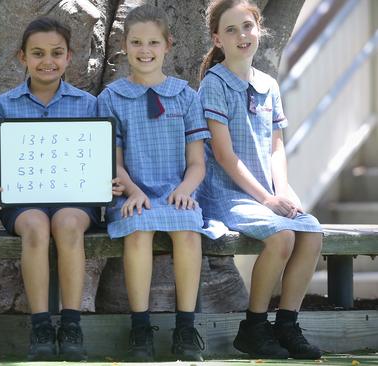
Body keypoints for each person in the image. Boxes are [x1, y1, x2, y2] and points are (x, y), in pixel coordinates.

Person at [0, 17, 121, 361]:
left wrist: (108, 181)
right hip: (23, 201)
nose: (48, 61)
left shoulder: (88, 104)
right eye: (38, 53)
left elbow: (97, 157)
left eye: (56, 53)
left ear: (69, 57)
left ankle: (72, 323)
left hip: (75, 200)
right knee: (35, 228)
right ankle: (41, 324)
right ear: (22, 58)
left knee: (68, 225)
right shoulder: (3, 105)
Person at [197, 0, 323, 359]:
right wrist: (268, 201)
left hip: (265, 193)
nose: (242, 35)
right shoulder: (214, 84)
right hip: (226, 193)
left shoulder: (268, 84)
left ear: (259, 29)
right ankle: (253, 326)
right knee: (282, 237)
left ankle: (286, 325)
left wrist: (281, 190)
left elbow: (276, 147)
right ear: (218, 39)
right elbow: (224, 155)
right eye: (231, 30)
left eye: (247, 27)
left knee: (311, 233)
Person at [97, 4, 212, 362]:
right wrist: (132, 191)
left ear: (167, 45)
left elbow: (197, 163)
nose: (144, 50)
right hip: (132, 193)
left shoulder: (186, 96)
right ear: (125, 46)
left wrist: (184, 190)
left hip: (177, 192)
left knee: (189, 230)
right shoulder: (111, 98)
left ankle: (185, 327)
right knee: (139, 230)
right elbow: (113, 161)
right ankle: (140, 328)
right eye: (136, 43)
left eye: (152, 42)